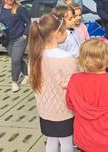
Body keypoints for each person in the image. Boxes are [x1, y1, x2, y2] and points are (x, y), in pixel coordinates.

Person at [66, 37, 108, 152]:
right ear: (107, 57)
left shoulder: (74, 80)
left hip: (85, 138)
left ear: (82, 59)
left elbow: (70, 104)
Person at [29, 14, 80, 152]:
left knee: (52, 139)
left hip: (44, 110)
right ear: (56, 34)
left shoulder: (35, 57)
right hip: (64, 112)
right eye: (65, 31)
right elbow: (73, 86)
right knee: (67, 142)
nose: (67, 33)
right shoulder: (66, 58)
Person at [0, 0, 31, 92]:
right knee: (18, 58)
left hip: (20, 38)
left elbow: (28, 22)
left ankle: (14, 81)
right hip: (7, 40)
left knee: (15, 60)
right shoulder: (0, 9)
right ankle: (26, 74)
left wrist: (25, 34)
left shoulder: (19, 8)